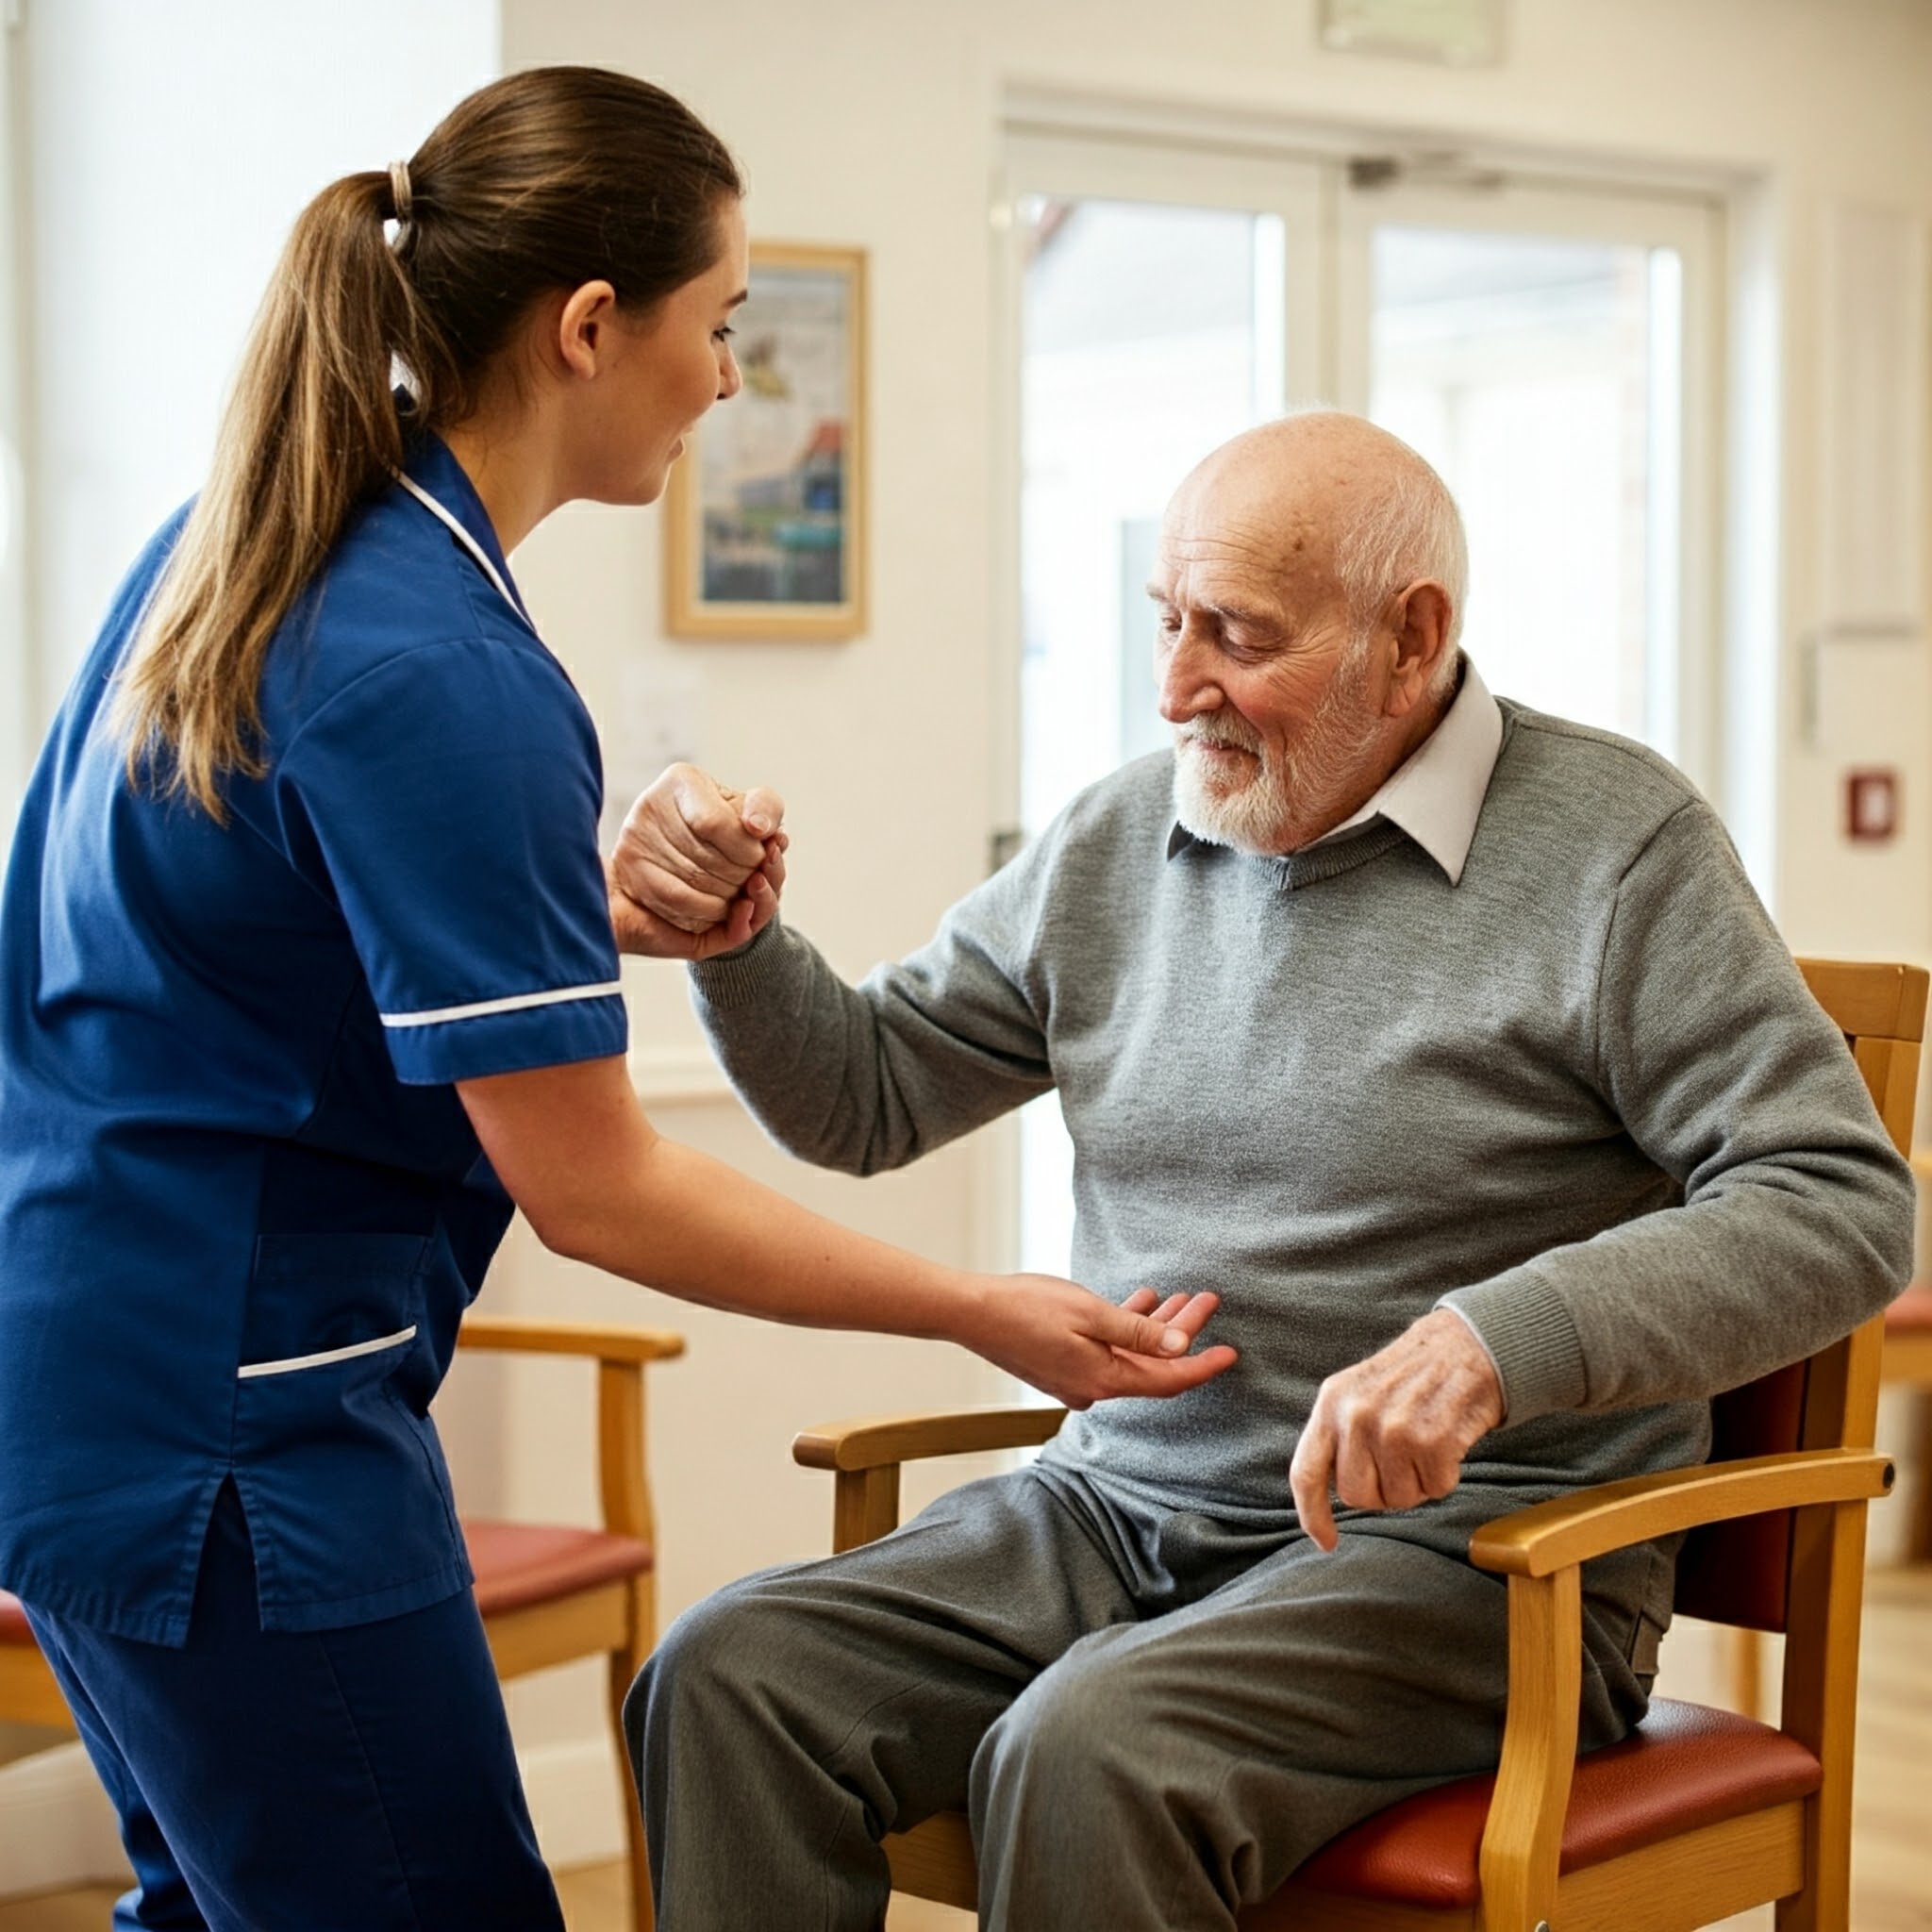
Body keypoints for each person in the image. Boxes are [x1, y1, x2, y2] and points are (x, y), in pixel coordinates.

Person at [0, 67, 1233, 1932]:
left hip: (79, 1377)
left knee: (227, 1901)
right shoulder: (437, 661)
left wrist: (580, 916)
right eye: (719, 323)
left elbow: (247, 931)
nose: (734, 378)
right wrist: (983, 1306)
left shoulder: (241, 545)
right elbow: (603, 1188)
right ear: (592, 327)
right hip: (241, 1439)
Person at [617, 410, 1916, 1931]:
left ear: (1413, 635)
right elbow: (864, 1096)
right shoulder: (1120, 836)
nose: (1177, 687)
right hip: (1118, 1512)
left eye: (1237, 634)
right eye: (1168, 622)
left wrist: (1489, 1343)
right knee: (725, 1678)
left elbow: (1838, 1200)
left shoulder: (1617, 852)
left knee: (1094, 1750)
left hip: (1478, 1560)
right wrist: (740, 946)